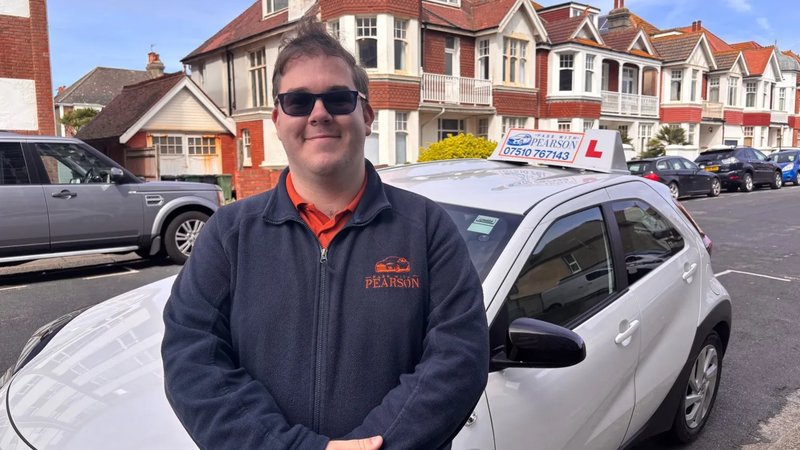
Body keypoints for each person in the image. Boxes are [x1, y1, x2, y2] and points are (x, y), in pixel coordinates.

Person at [161, 16, 489, 450]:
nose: (319, 114)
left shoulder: (427, 228)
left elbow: (458, 357)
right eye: (298, 102)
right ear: (277, 119)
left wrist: (378, 445)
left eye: (338, 98)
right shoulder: (230, 233)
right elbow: (192, 358)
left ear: (366, 115)